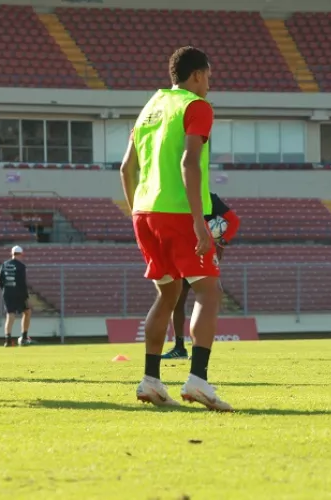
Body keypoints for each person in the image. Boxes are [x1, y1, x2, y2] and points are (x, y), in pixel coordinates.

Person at [119, 45, 231, 411]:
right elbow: (189, 161)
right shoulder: (195, 106)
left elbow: (125, 168)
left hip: (144, 210)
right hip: (178, 212)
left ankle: (151, 380)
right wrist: (200, 223)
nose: (209, 84)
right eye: (208, 76)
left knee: (167, 294)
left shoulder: (150, 106)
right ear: (197, 74)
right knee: (209, 292)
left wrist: (136, 208)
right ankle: (198, 380)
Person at [162, 193, 240, 359]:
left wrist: (222, 242)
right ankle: (182, 347)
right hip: (184, 253)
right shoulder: (184, 197)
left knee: (203, 298)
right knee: (182, 300)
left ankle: (193, 348)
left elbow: (233, 220)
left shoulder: (207, 197)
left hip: (197, 254)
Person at [0, 245, 32, 347]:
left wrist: (6, 290)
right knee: (27, 312)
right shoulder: (21, 266)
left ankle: (7, 340)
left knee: (10, 315)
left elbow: (0, 281)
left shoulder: (4, 264)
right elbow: (22, 282)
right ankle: (24, 337)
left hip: (7, 293)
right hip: (19, 293)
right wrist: (26, 296)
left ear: (12, 254)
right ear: (22, 254)